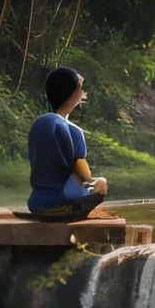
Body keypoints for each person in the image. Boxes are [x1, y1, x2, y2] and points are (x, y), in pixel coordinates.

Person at [26, 66, 111, 221]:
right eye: (81, 88)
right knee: (101, 183)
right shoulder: (74, 130)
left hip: (36, 199)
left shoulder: (38, 123)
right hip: (62, 198)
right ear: (72, 94)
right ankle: (70, 211)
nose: (84, 93)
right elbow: (84, 176)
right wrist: (98, 182)